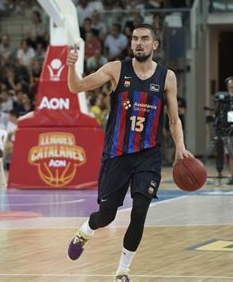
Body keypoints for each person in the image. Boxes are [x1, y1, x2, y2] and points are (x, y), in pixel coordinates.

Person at [66, 24, 193, 281]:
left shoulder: (167, 77)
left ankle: (123, 270)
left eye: (145, 39)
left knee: (139, 212)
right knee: (106, 215)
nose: (139, 43)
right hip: (117, 154)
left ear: (154, 45)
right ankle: (85, 231)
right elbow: (76, 87)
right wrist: (71, 66)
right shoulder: (116, 69)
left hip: (148, 155)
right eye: (135, 38)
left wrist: (180, 145)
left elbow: (173, 119)